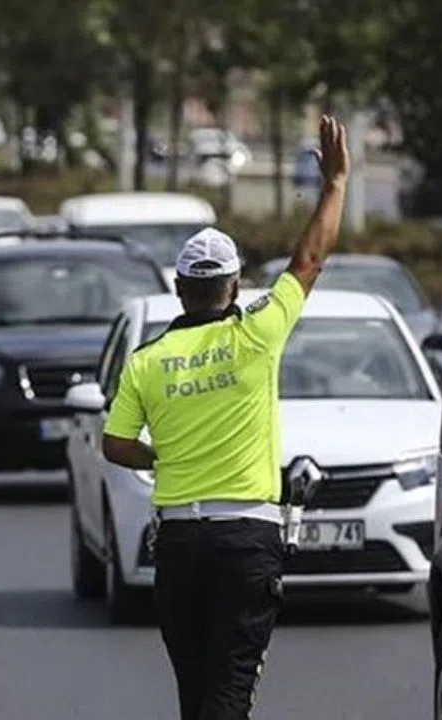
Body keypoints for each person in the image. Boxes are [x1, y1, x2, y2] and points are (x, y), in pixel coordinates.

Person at [101, 115, 350, 720]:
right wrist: (335, 185)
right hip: (247, 540)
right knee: (229, 692)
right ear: (235, 287)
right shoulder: (258, 334)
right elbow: (309, 260)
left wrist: (162, 456)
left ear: (179, 288)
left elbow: (115, 444)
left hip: (180, 543)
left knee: (196, 694)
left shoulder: (147, 361)